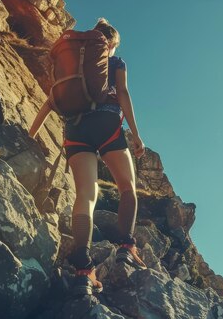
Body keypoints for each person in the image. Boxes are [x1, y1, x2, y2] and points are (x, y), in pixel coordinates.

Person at [29, 18, 147, 294]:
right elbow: (124, 93)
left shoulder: (73, 63)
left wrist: (31, 135)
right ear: (112, 44)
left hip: (75, 129)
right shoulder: (115, 63)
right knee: (128, 187)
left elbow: (50, 101)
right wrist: (136, 134)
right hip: (106, 123)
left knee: (86, 197)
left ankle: (83, 268)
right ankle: (126, 247)